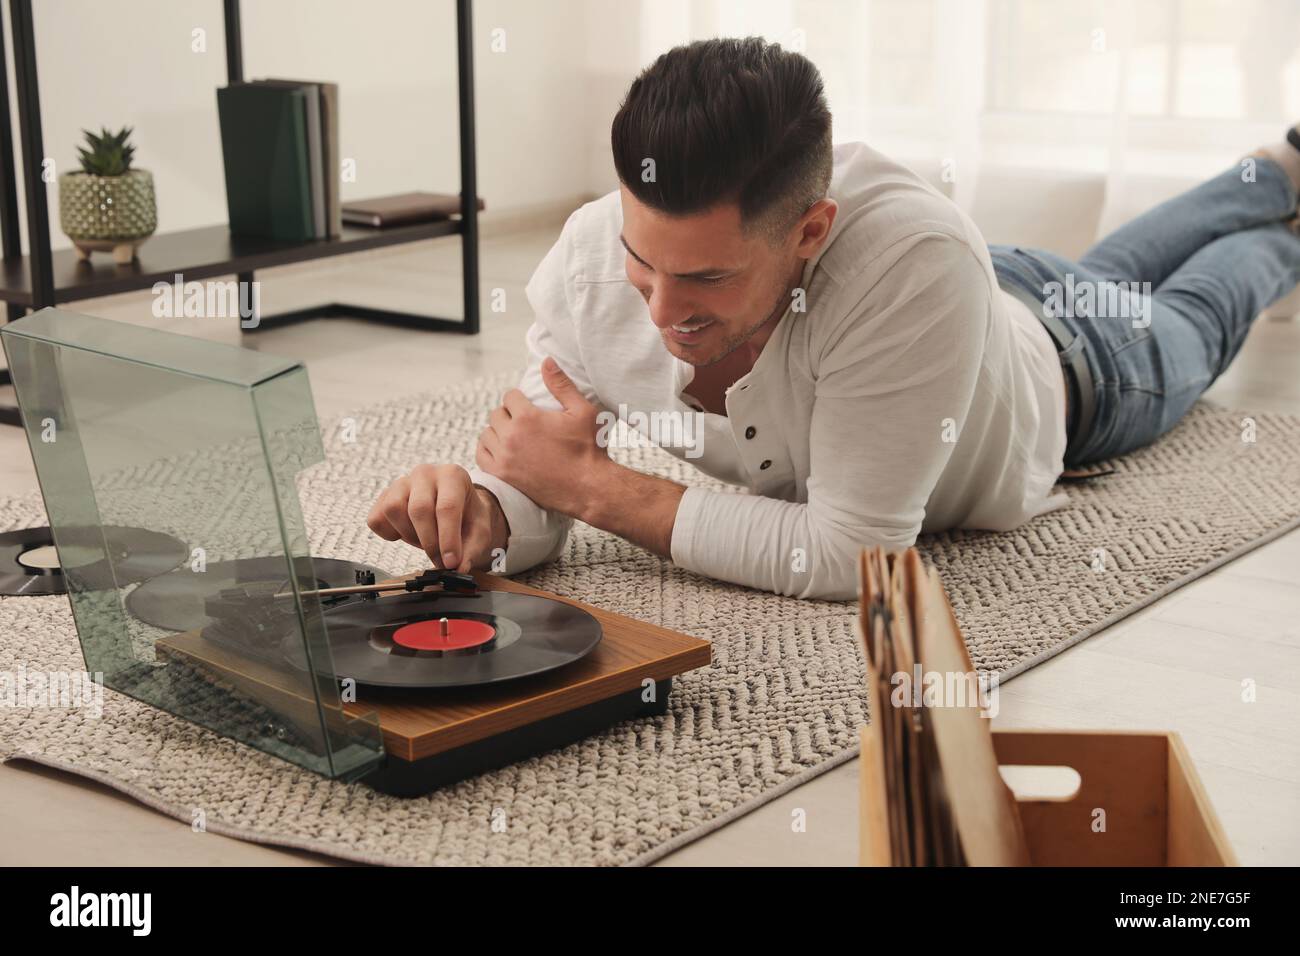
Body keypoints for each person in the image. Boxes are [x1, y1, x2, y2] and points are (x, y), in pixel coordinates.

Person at [367, 37, 1300, 601]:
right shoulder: (587, 256)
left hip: (1076, 366)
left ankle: (1289, 228)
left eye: (705, 279)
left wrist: (599, 489)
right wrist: (484, 510)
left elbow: (855, 554)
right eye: (641, 261)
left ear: (812, 230)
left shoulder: (910, 266)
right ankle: (1279, 171)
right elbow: (543, 464)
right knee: (1114, 270)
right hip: (999, 295)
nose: (659, 311)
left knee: (1189, 311)